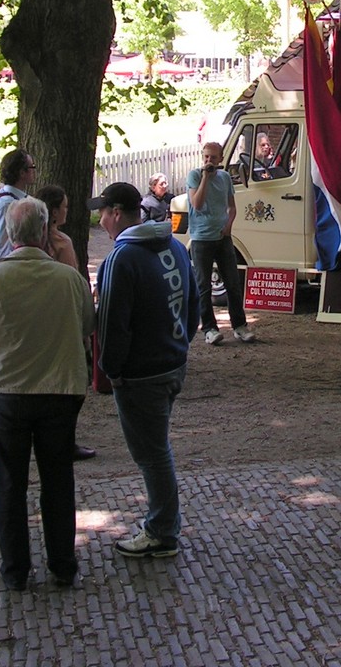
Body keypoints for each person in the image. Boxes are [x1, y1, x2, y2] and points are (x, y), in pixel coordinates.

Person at [0, 197, 94, 590]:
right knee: (58, 480)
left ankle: (16, 570)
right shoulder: (69, 279)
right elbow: (87, 322)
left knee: (10, 483)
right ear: (43, 232)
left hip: (10, 392)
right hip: (59, 392)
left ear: (9, 234)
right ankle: (63, 565)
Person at [91, 182, 199, 559]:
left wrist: (111, 371)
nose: (100, 221)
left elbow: (112, 325)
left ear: (117, 214)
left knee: (153, 454)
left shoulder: (121, 260)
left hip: (140, 375)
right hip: (172, 364)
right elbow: (193, 302)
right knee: (158, 449)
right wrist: (182, 344)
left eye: (102, 213)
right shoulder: (173, 246)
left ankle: (162, 531)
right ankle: (162, 525)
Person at [32, 185, 97, 462]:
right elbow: (73, 281)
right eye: (65, 206)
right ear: (55, 211)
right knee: (73, 385)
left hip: (39, 322)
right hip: (63, 321)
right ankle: (63, 441)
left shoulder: (30, 242)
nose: (68, 210)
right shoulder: (61, 243)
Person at [185, 141, 254, 344]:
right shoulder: (195, 176)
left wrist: (229, 225)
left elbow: (232, 207)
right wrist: (206, 177)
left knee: (232, 282)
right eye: (206, 157)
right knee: (203, 285)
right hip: (201, 239)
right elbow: (196, 205)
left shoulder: (224, 178)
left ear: (221, 159)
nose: (209, 161)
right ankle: (209, 329)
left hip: (222, 237)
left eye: (213, 158)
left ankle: (240, 326)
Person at [0, 148, 37, 262]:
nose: (34, 171)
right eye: (32, 167)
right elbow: (3, 249)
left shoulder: (13, 199)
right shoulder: (7, 204)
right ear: (22, 173)